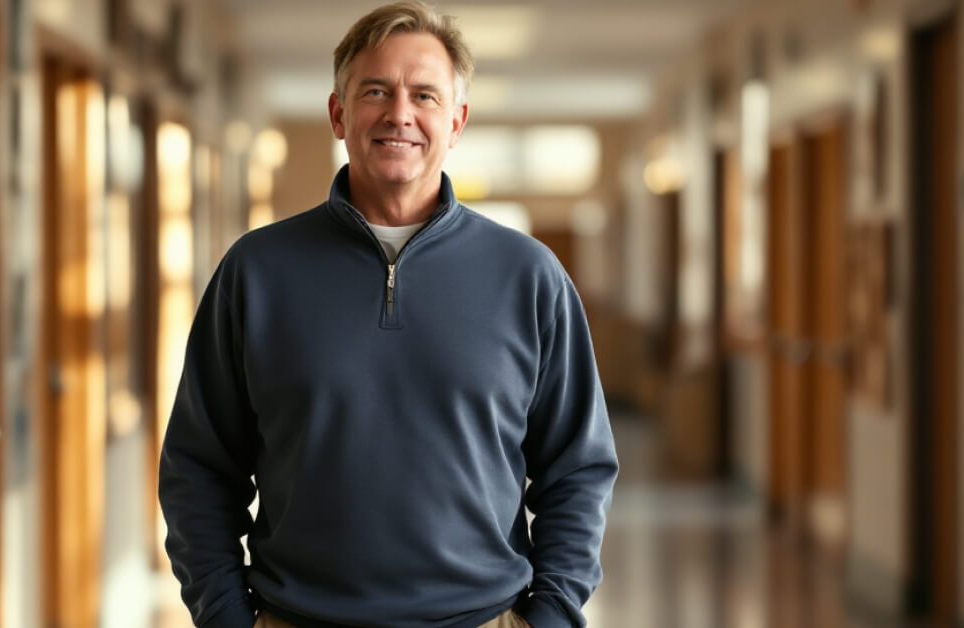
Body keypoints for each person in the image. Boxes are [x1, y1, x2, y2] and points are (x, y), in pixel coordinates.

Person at [158, 2, 619, 627]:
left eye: (424, 95)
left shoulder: (530, 278)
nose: (400, 113)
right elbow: (198, 467)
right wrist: (224, 613)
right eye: (376, 90)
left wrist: (553, 615)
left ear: (456, 121)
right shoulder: (257, 272)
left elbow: (578, 470)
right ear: (338, 113)